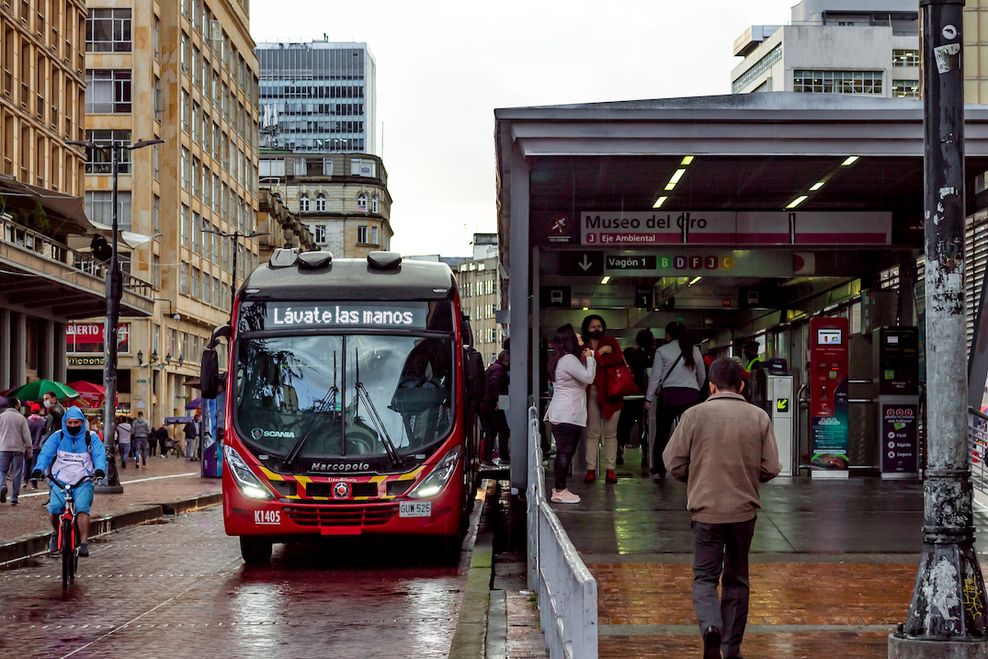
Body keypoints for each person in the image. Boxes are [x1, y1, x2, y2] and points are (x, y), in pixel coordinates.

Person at [662, 358, 781, 659]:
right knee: (737, 578)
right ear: (741, 385)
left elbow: (673, 462)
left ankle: (711, 627)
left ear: (711, 386)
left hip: (706, 512)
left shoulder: (693, 415)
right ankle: (732, 647)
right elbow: (771, 467)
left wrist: (698, 476)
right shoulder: (758, 417)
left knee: (704, 578)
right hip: (744, 514)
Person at [32, 406, 107, 557]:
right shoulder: (57, 436)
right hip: (59, 481)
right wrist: (38, 469)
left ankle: (84, 543)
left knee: (82, 508)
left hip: (83, 481)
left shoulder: (90, 437)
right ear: (65, 422)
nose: (73, 426)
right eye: (70, 423)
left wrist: (99, 469)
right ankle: (56, 533)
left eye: (76, 422)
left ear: (82, 422)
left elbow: (99, 454)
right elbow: (46, 453)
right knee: (54, 509)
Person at [645, 321, 706, 479]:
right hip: (691, 396)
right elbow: (702, 376)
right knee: (691, 434)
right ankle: (694, 466)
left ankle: (659, 468)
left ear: (668, 335)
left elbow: (655, 377)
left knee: (663, 434)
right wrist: (695, 389)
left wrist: (648, 398)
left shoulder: (662, 351)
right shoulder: (694, 350)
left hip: (669, 396)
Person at [544, 324, 596, 504]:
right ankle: (559, 489)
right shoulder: (568, 360)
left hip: (564, 412)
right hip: (568, 413)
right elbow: (589, 378)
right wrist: (590, 358)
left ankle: (560, 488)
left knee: (565, 451)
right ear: (569, 339)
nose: (581, 337)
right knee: (565, 452)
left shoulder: (565, 359)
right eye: (577, 335)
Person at [581, 314, 625, 484]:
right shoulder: (583, 346)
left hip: (611, 392)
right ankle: (590, 469)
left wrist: (594, 357)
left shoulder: (611, 341)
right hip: (592, 391)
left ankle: (610, 470)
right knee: (592, 432)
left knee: (610, 433)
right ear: (587, 328)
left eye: (599, 325)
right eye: (593, 326)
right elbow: (582, 363)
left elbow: (616, 360)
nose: (597, 328)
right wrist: (600, 353)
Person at [616, 328, 654, 466]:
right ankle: (645, 454)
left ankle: (619, 448)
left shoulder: (630, 354)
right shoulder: (653, 355)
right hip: (646, 395)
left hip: (629, 394)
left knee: (625, 423)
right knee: (646, 425)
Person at [479, 350, 510, 467]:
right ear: (506, 361)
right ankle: (504, 457)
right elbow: (494, 383)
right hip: (492, 405)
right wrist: (498, 401)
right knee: (504, 430)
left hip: (485, 404)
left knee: (491, 432)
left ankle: (487, 459)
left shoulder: (493, 368)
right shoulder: (500, 370)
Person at [0, 396, 33, 505]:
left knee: (2, 470)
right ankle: (14, 498)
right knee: (18, 473)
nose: (20, 405)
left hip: (3, 447)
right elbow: (27, 436)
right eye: (19, 404)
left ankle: (2, 485)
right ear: (15, 405)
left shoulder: (1, 416)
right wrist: (29, 449)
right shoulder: (21, 418)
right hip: (18, 449)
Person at [24, 403, 45, 489]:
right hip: (38, 445)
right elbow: (44, 432)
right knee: (35, 463)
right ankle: (34, 483)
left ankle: (25, 481)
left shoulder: (27, 420)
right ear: (39, 410)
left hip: (28, 445)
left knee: (27, 463)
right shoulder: (43, 421)